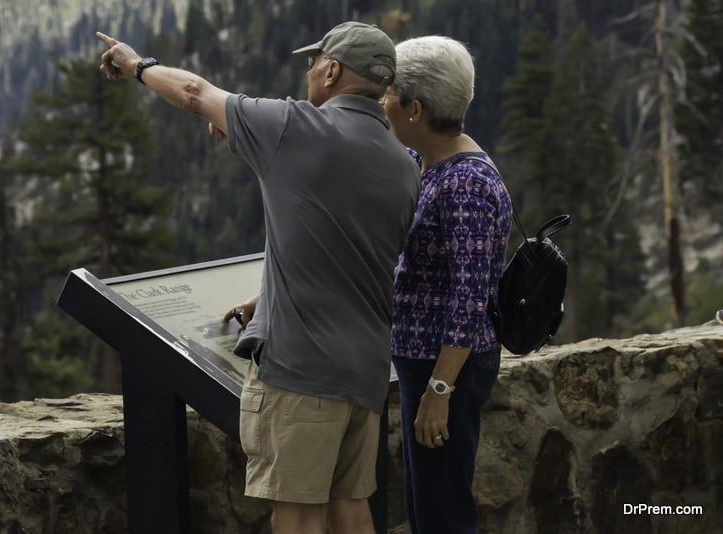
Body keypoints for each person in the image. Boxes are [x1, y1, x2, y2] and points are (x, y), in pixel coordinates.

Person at [97, 21, 420, 534]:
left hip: (301, 369)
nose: (310, 71)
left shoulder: (295, 128)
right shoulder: (403, 164)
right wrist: (268, 295)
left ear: (332, 70)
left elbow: (194, 92)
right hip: (365, 368)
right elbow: (340, 244)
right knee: (351, 508)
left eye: (314, 63)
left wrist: (138, 66)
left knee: (298, 514)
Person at [381, 36, 513, 534]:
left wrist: (438, 391)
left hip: (447, 372)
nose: (382, 101)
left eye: (388, 92)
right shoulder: (430, 163)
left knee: (442, 513)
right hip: (429, 367)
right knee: (426, 506)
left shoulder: (465, 185)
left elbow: (469, 300)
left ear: (414, 109)